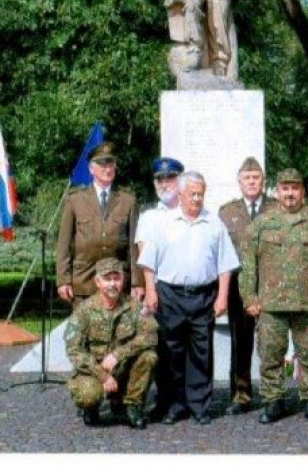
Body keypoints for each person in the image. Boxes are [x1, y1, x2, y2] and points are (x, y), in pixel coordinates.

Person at [240, 168, 308, 424]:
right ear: (277, 191)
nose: (289, 193)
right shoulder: (262, 224)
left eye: (294, 188)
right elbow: (248, 264)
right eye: (285, 188)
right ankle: (273, 402)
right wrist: (249, 298)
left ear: (303, 191)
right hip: (270, 304)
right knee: (270, 355)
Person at [138, 171, 239, 425]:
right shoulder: (164, 223)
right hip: (170, 295)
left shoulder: (214, 223)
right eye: (192, 194)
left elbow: (225, 265)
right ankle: (174, 404)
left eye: (200, 194)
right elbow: (148, 262)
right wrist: (150, 290)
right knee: (170, 351)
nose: (196, 198)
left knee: (201, 352)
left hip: (203, 295)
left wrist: (222, 297)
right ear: (180, 194)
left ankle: (199, 405)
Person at [64, 258, 158, 430]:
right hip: (95, 370)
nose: (113, 284)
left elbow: (151, 335)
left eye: (117, 278)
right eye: (107, 279)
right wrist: (103, 376)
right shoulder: (84, 310)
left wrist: (118, 354)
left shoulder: (134, 306)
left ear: (123, 280)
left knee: (149, 356)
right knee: (88, 394)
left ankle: (132, 405)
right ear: (98, 282)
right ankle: (91, 407)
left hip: (123, 368)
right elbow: (74, 350)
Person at [218, 156, 277, 415]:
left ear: (263, 181)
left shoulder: (276, 208)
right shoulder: (227, 212)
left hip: (271, 285)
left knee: (271, 342)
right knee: (240, 343)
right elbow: (221, 252)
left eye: (256, 178)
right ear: (239, 182)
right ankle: (240, 395)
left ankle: (273, 394)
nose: (252, 182)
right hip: (239, 287)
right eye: (247, 178)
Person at [55, 141, 141, 304]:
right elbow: (64, 244)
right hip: (84, 282)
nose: (107, 169)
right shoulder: (75, 200)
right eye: (102, 165)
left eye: (111, 164)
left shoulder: (128, 201)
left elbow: (134, 246)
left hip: (118, 282)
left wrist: (137, 282)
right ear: (91, 168)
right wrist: (63, 280)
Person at [134, 156, 184, 419]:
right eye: (160, 180)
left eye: (170, 178)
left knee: (190, 349)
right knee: (163, 348)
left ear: (180, 181)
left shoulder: (190, 211)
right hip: (162, 289)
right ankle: (165, 401)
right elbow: (144, 254)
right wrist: (150, 290)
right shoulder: (149, 217)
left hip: (188, 289)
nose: (165, 184)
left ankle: (188, 401)